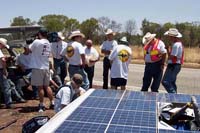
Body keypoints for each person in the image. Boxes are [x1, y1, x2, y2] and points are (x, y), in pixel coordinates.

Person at [29, 28, 54, 112]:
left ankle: (41, 104)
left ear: (40, 34)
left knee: (40, 88)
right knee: (47, 86)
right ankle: (52, 102)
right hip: (46, 67)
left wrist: (33, 41)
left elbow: (29, 50)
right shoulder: (48, 43)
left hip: (38, 67)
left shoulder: (36, 42)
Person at [0, 38, 25, 108]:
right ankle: (9, 103)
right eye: (3, 46)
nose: (3, 47)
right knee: (6, 87)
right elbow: (3, 60)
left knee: (10, 85)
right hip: (1, 70)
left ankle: (18, 98)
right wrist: (5, 70)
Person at [162, 28, 184, 93]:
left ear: (173, 37)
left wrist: (168, 51)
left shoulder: (176, 45)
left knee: (165, 81)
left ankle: (173, 95)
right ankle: (174, 97)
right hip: (176, 65)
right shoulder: (178, 44)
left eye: (169, 37)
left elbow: (171, 57)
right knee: (171, 82)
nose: (169, 38)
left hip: (173, 65)